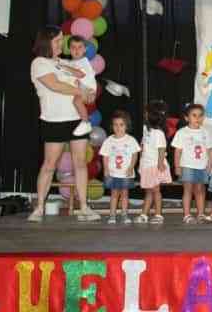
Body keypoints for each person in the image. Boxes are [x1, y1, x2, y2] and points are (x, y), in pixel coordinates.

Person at [28, 25, 100, 222]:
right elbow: (55, 85)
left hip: (75, 119)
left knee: (80, 163)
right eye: (58, 40)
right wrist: (81, 92)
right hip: (54, 120)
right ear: (47, 42)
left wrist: (88, 92)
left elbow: (81, 80)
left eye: (61, 40)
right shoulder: (39, 63)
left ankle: (84, 206)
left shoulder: (62, 62)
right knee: (50, 164)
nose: (62, 44)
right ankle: (40, 207)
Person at [172, 104, 211, 224]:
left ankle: (200, 214)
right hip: (187, 166)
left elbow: (209, 150)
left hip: (202, 166)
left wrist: (210, 164)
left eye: (200, 116)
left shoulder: (205, 132)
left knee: (200, 190)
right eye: (194, 115)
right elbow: (177, 151)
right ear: (186, 118)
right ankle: (187, 215)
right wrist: (177, 166)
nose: (197, 118)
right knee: (188, 190)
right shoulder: (182, 132)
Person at [99, 110, 140, 224]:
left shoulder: (131, 140)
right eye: (115, 125)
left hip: (126, 173)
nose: (118, 127)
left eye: (121, 125)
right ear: (112, 126)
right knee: (114, 194)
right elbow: (105, 156)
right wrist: (106, 169)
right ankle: (112, 215)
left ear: (126, 126)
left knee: (125, 194)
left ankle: (124, 214)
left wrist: (131, 167)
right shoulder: (108, 140)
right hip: (113, 173)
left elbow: (134, 155)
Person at [136, 100, 171, 224]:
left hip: (155, 166)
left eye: (147, 112)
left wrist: (160, 163)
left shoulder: (159, 133)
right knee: (148, 191)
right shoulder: (146, 129)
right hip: (146, 165)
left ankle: (158, 214)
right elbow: (143, 145)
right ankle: (144, 214)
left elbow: (162, 149)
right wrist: (141, 161)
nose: (145, 114)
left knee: (156, 190)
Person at [58, 35, 97, 136]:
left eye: (80, 47)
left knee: (77, 101)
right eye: (73, 47)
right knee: (75, 101)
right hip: (82, 89)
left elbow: (80, 74)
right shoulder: (72, 62)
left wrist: (64, 67)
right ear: (69, 49)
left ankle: (86, 122)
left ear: (85, 49)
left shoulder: (83, 62)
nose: (76, 50)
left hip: (89, 90)